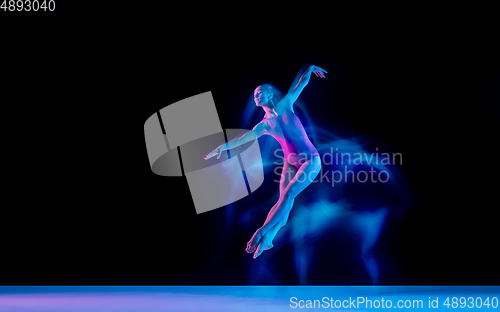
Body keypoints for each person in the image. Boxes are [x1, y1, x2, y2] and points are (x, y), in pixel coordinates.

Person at [204, 65, 328, 259]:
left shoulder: (286, 104)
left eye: (259, 92)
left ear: (269, 94)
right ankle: (268, 239)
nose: (256, 96)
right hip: (290, 163)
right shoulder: (263, 126)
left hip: (311, 161)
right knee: (283, 202)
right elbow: (241, 140)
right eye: (254, 95)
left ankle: (261, 232)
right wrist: (222, 147)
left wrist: (309, 68)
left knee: (288, 196)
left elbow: (300, 83)